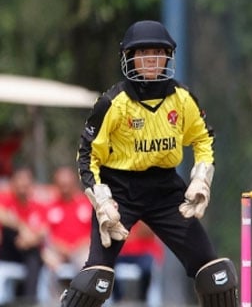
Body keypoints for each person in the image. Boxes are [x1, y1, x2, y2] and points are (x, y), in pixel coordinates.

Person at [60, 20, 238, 307]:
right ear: (129, 59)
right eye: (143, 53)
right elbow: (87, 155)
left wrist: (201, 179)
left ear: (168, 57)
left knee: (215, 276)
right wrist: (102, 201)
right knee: (94, 282)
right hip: (119, 192)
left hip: (166, 190)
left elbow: (203, 139)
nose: (152, 60)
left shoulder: (182, 99)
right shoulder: (113, 103)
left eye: (158, 52)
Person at [41, 165, 93, 299]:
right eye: (60, 185)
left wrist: (76, 247)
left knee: (86, 261)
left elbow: (94, 232)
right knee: (47, 256)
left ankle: (83, 299)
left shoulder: (86, 203)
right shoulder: (50, 205)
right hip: (58, 250)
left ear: (74, 183)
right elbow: (45, 233)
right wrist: (61, 247)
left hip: (81, 249)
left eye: (67, 184)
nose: (64, 188)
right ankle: (54, 299)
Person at [0, 166, 47, 304]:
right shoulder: (5, 198)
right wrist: (22, 229)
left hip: (28, 250)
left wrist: (28, 239)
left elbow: (43, 231)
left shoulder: (38, 205)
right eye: (19, 181)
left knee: (34, 253)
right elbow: (2, 216)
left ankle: (29, 299)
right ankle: (29, 299)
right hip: (7, 250)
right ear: (13, 182)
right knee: (10, 230)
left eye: (26, 183)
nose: (23, 186)